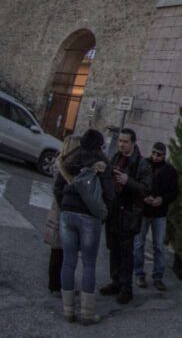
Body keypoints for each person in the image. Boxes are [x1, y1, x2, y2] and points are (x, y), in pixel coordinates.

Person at [54, 128, 114, 325]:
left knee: (68, 262)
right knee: (88, 264)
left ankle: (68, 310)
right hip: (89, 216)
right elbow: (109, 193)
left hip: (67, 212)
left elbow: (58, 187)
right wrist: (105, 213)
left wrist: (64, 205)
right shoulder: (102, 163)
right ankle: (87, 314)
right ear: (99, 145)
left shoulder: (70, 160)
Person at [98, 128, 152, 305]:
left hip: (129, 214)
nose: (121, 144)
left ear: (133, 143)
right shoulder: (115, 158)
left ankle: (126, 288)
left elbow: (146, 189)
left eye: (125, 142)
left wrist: (128, 181)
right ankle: (116, 282)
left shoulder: (141, 163)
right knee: (113, 250)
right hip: (113, 211)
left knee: (126, 253)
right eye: (120, 141)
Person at [133, 141, 178, 291]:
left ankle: (158, 276)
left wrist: (162, 199)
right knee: (139, 243)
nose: (155, 157)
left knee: (159, 245)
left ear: (164, 155)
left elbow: (174, 192)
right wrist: (143, 197)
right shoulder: (143, 164)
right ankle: (139, 273)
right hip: (143, 211)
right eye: (153, 153)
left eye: (159, 155)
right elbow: (136, 184)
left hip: (159, 213)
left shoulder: (170, 171)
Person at [45, 135, 80, 294]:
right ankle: (56, 284)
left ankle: (57, 283)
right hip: (62, 209)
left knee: (59, 249)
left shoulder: (61, 161)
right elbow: (65, 185)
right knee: (60, 249)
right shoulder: (64, 164)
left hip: (58, 208)